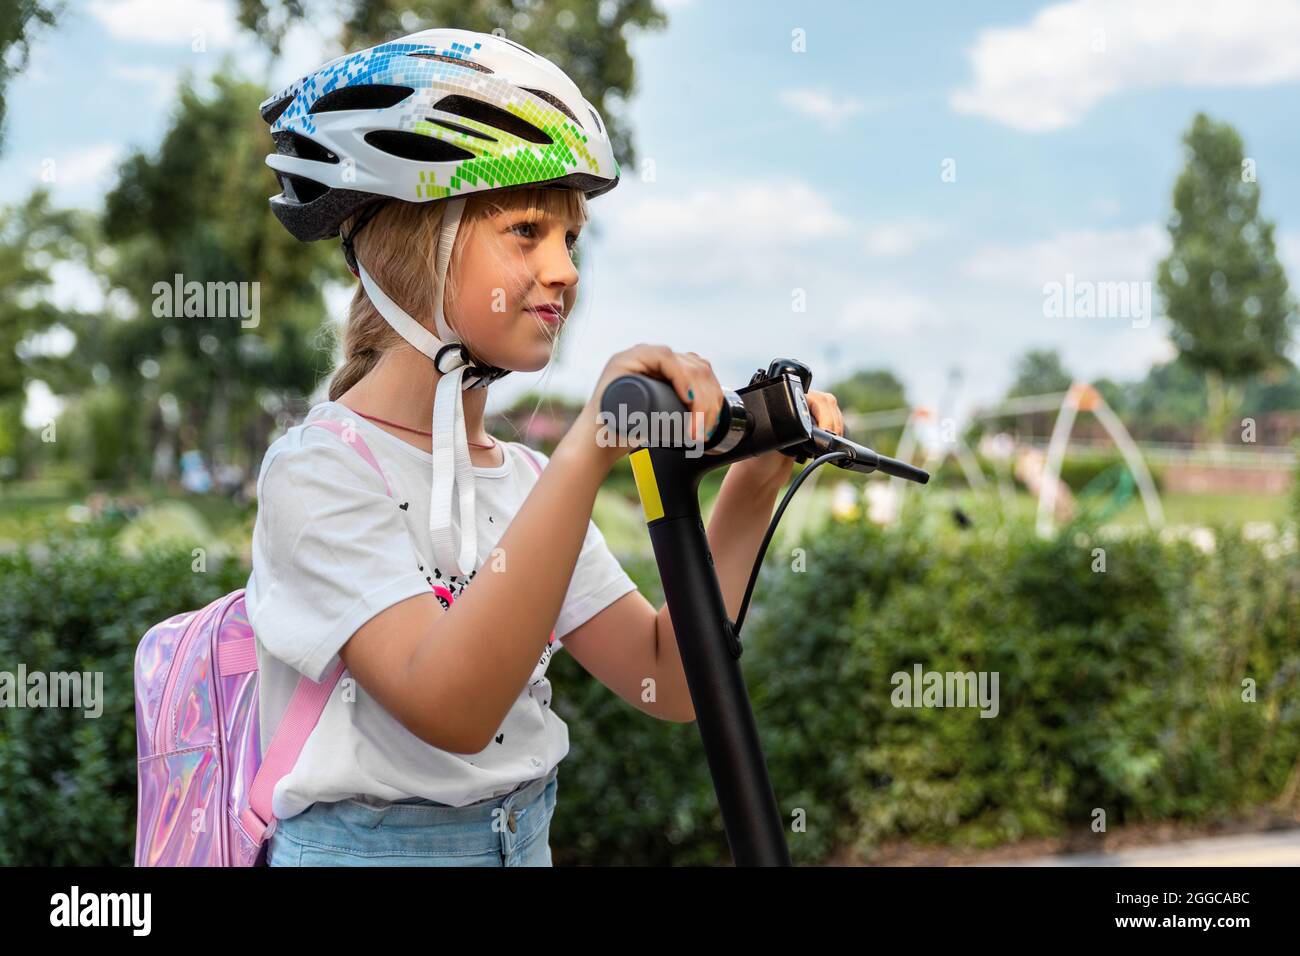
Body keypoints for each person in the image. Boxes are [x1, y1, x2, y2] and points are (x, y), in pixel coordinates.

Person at [246, 27, 844, 867]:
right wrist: (588, 449)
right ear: (416, 247)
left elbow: (667, 677)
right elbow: (450, 704)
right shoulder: (321, 473)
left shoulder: (522, 480)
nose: (564, 269)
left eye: (570, 239)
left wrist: (750, 487)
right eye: (526, 230)